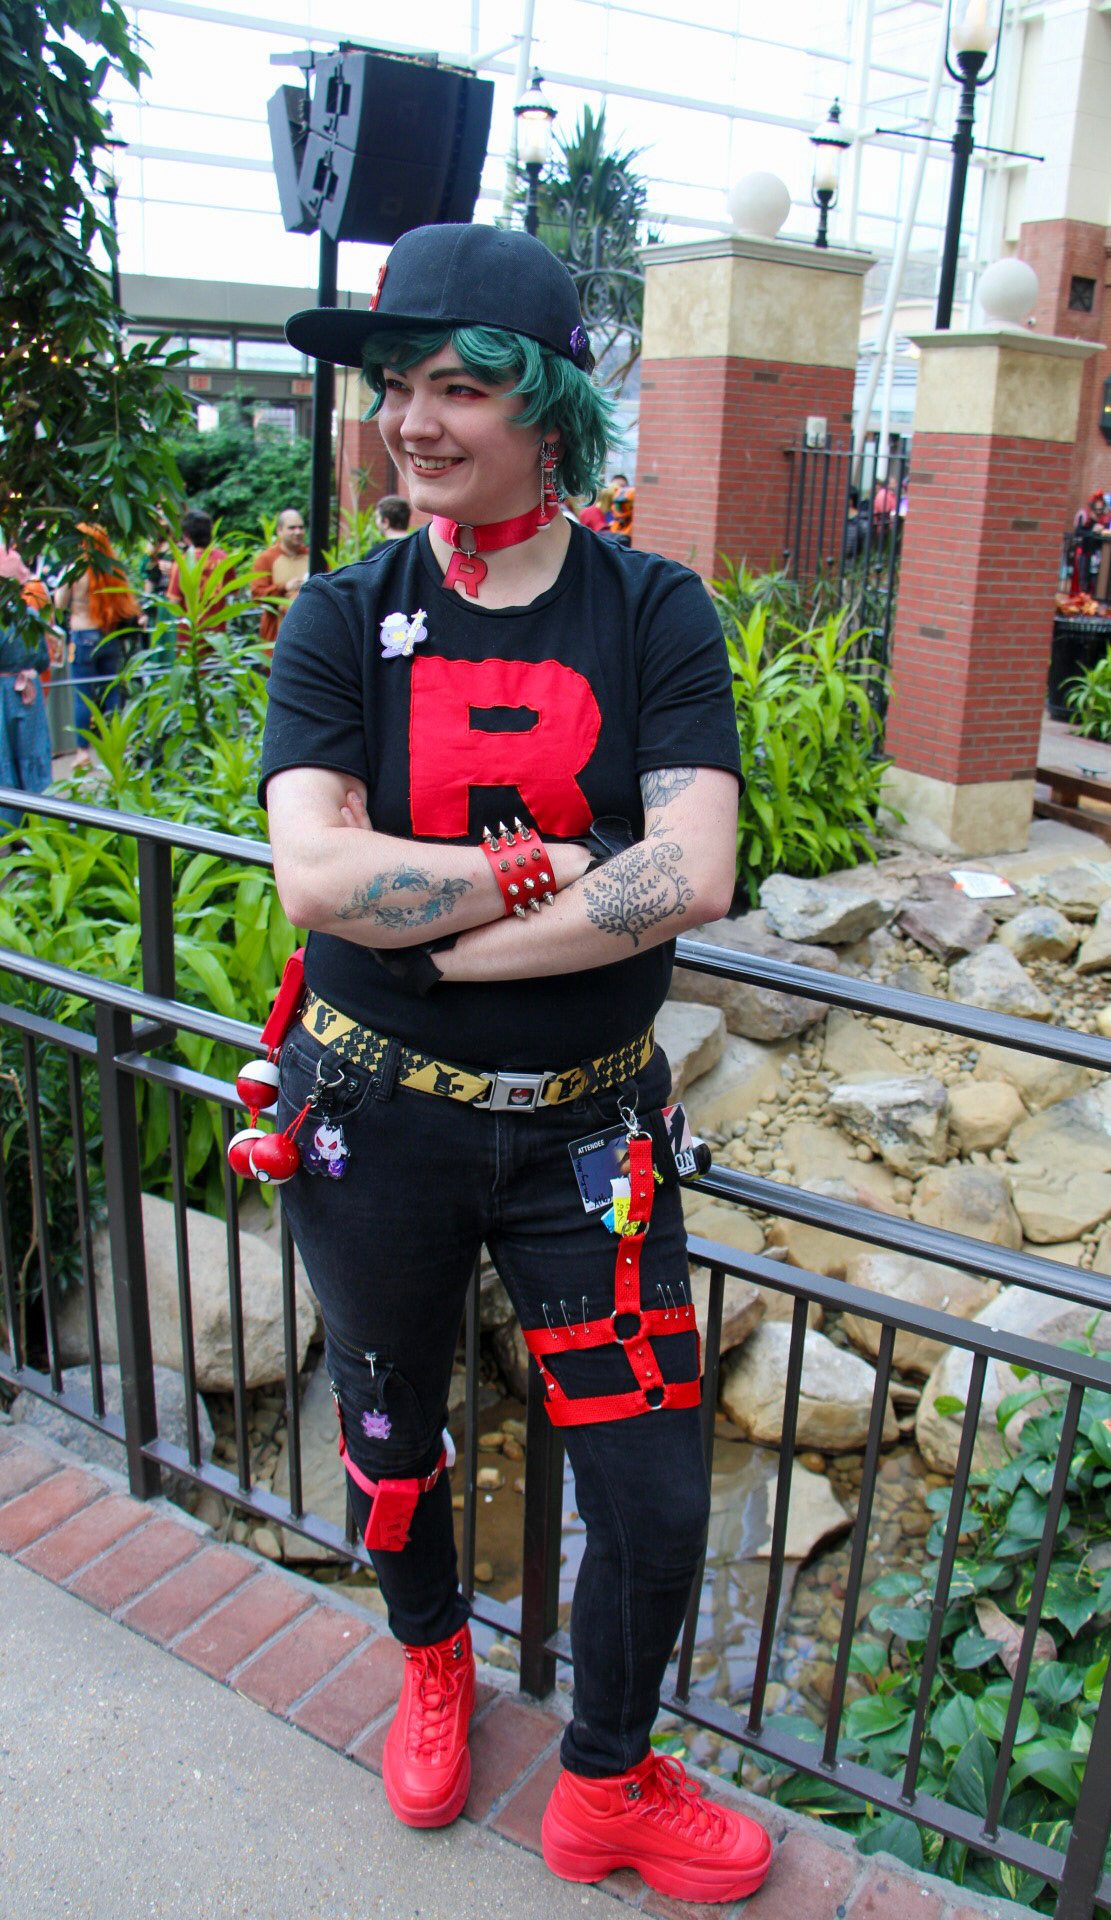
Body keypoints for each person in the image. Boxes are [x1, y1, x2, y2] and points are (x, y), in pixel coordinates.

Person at [260, 222, 771, 1906]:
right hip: (372, 1124)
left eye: (456, 388)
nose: (411, 421)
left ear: (546, 412)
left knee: (653, 1493)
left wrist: (440, 933)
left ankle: (606, 1781)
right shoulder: (341, 616)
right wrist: (556, 872)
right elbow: (314, 878)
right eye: (396, 386)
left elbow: (693, 870)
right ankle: (432, 1663)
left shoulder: (650, 611)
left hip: (588, 1145)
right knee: (391, 1431)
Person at [52, 522, 139, 769]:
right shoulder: (113, 567)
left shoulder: (75, 568)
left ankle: (82, 752)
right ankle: (119, 744)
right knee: (112, 691)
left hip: (83, 636)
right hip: (108, 635)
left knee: (83, 696)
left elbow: (59, 603)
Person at [0, 546, 56, 828]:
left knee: (4, 762)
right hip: (28, 694)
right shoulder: (30, 614)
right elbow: (43, 658)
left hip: (3, 693)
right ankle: (40, 825)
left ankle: (7, 829)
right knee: (33, 758)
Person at [167, 508, 231, 655]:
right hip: (218, 635)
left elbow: (173, 602)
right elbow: (231, 592)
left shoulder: (182, 562)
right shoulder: (224, 559)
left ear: (186, 536)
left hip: (190, 638)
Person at [251, 508, 308, 651]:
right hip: (275, 637)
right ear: (279, 531)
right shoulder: (266, 559)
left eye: (301, 527)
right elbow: (257, 594)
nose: (298, 532)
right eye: (292, 528)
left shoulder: (312, 556)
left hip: (308, 635)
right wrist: (284, 587)